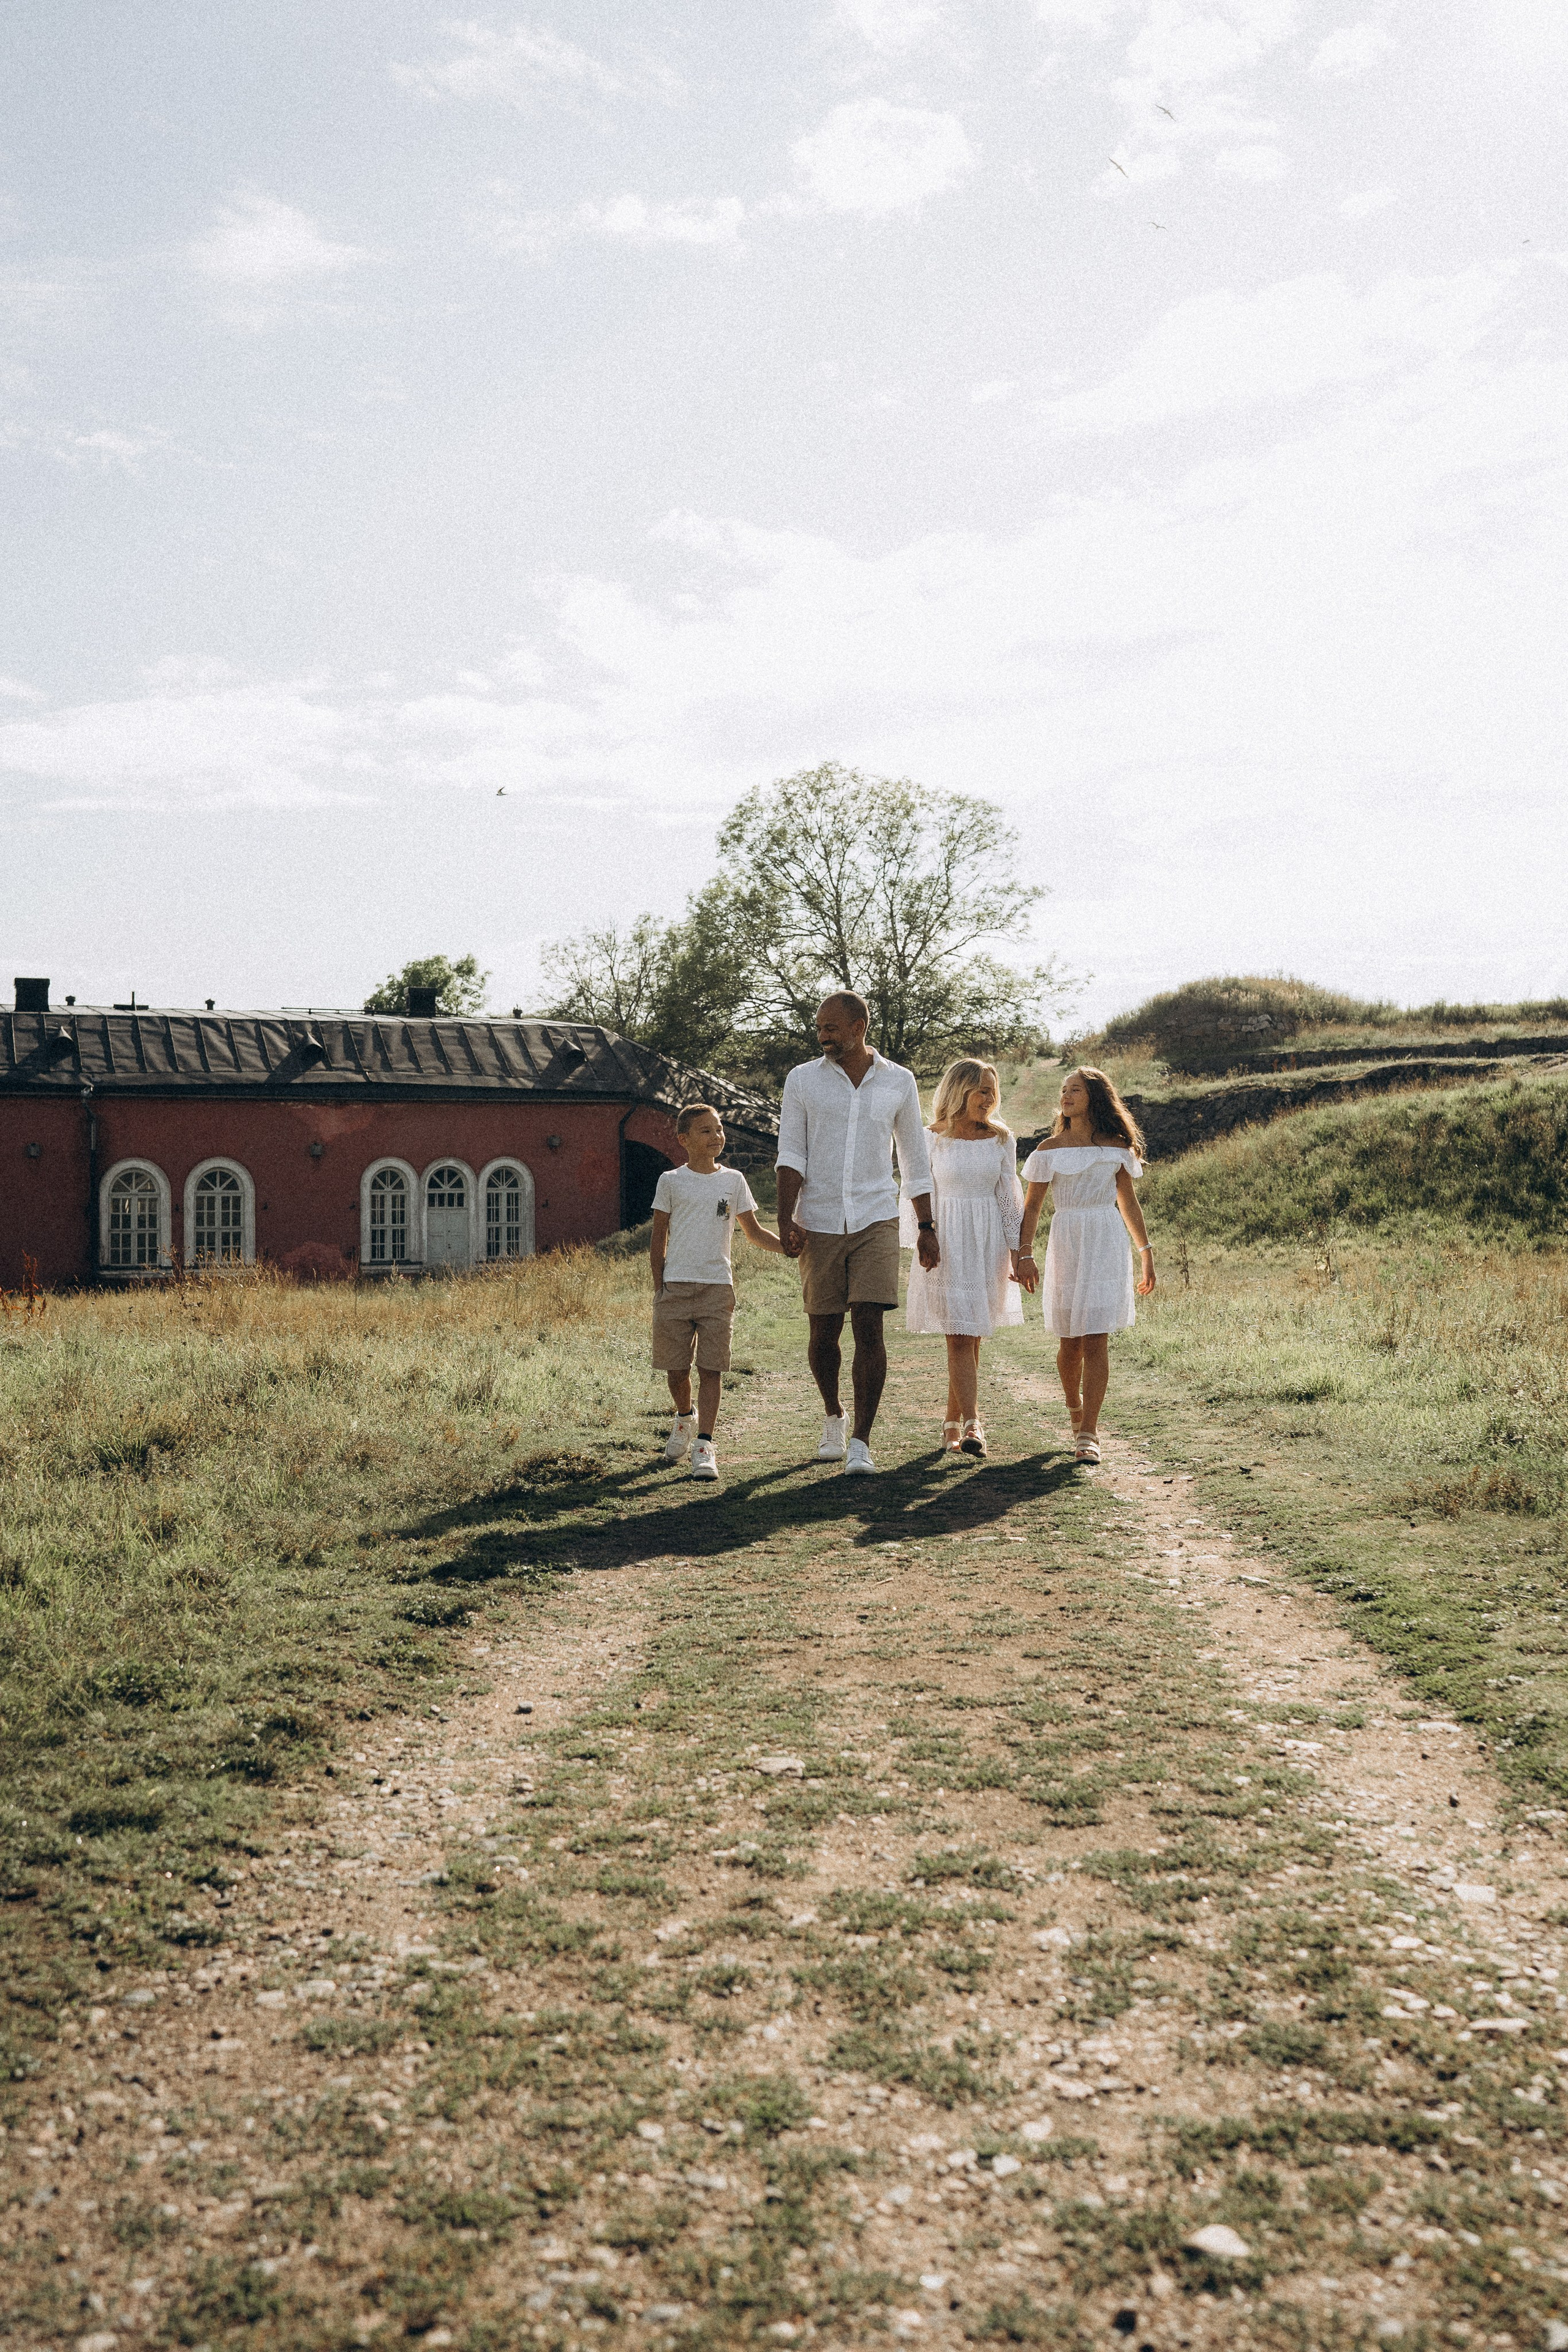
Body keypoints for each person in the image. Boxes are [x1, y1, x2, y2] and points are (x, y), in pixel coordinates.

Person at [775, 992, 938, 1476]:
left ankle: (861, 1442)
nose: (823, 1033)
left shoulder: (899, 1081)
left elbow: (914, 1158)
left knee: (870, 1324)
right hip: (819, 1218)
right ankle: (833, 1415)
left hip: (876, 1215)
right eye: (819, 1026)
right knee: (824, 1330)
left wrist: (926, 1226)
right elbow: (791, 1154)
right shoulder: (802, 1080)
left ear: (859, 1026)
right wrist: (786, 1219)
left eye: (832, 1026)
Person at [1017, 1065, 1155, 1466]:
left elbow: (1128, 1203)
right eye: (1063, 1090)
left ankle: (1089, 1432)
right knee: (1069, 1342)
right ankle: (1074, 1406)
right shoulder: (1048, 1150)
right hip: (1067, 1240)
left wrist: (1146, 1252)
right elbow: (1032, 1208)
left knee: (1096, 1337)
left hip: (1106, 1239)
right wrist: (1024, 1255)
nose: (1066, 1095)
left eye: (1074, 1089)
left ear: (1094, 1097)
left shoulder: (1116, 1148)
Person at [650, 1102, 783, 1480]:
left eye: (719, 1129)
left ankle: (705, 1445)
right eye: (706, 1131)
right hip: (674, 1288)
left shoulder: (734, 1181)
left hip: (717, 1289)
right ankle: (684, 1417)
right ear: (684, 1140)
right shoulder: (670, 1181)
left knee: (711, 1368)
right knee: (676, 1369)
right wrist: (659, 1286)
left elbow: (754, 1234)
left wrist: (790, 1247)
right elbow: (658, 1238)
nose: (716, 1136)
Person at [903, 1057, 1025, 1460]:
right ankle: (974, 1423)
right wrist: (924, 1237)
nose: (990, 1099)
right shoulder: (929, 1138)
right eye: (982, 1090)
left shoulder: (1002, 1139)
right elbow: (918, 1190)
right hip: (947, 1239)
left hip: (987, 1240)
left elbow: (1009, 1202)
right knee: (957, 1332)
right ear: (960, 1091)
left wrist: (1019, 1254)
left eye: (993, 1091)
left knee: (972, 1332)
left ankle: (953, 1422)